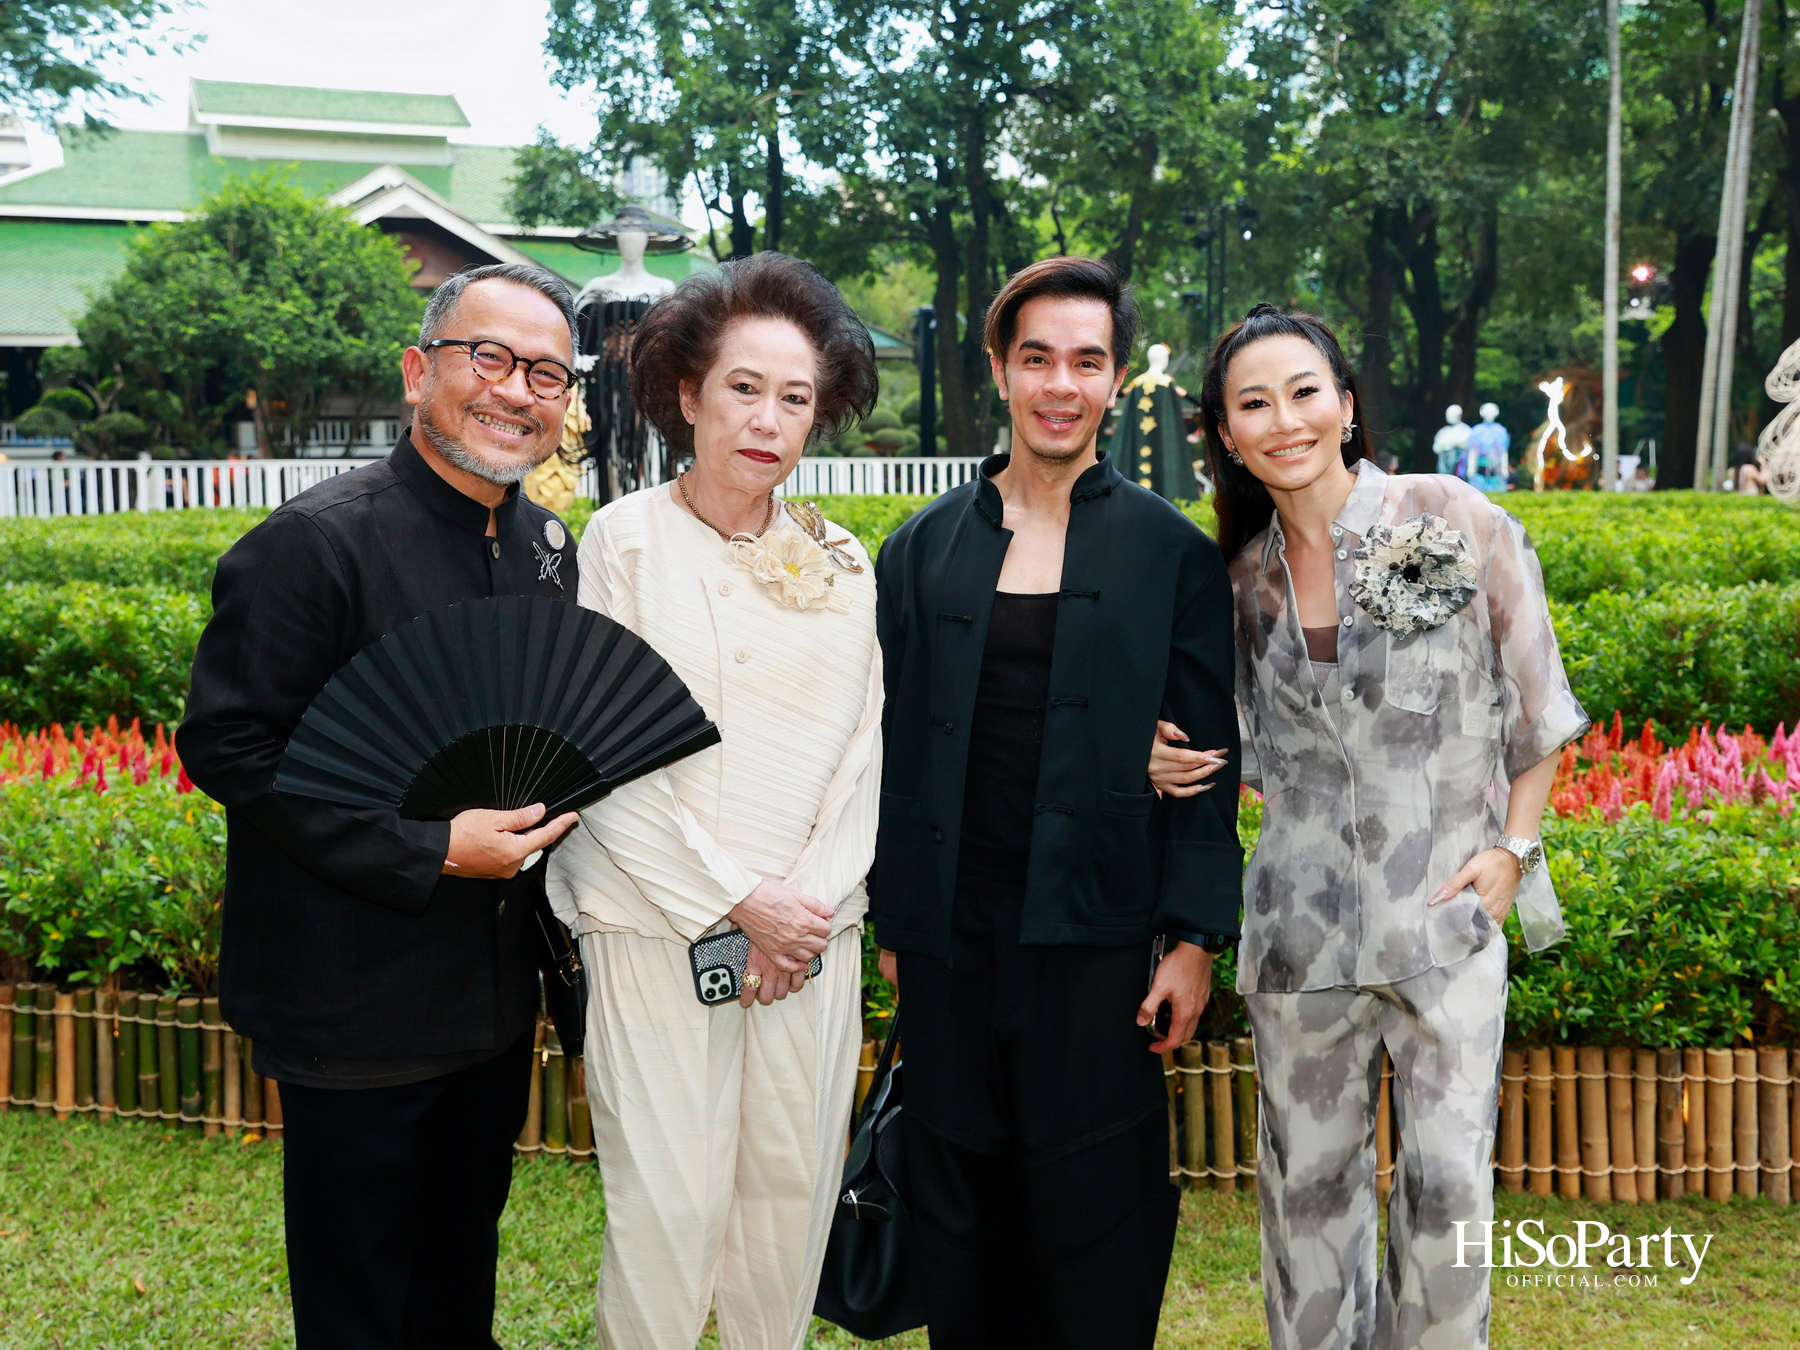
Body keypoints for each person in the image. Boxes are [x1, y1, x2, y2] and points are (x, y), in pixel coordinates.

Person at [1152, 303, 1590, 1350]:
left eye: (1304, 392)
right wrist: (1154, 757)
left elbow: (1537, 705)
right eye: (1254, 404)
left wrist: (1513, 851)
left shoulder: (1447, 518)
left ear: (1345, 405)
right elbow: (1226, 748)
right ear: (1226, 433)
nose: (1285, 420)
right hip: (1297, 938)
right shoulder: (1235, 584)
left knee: (1450, 1193)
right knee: (1304, 1198)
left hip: (1445, 920)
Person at [177, 262, 586, 1348]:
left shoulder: (546, 550)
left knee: (458, 1284)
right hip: (352, 1004)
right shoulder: (316, 543)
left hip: (489, 1002)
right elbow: (229, 744)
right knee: (360, 1304)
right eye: (488, 357)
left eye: (546, 372)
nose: (516, 390)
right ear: (418, 372)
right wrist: (428, 848)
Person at [872, 255, 1243, 1347]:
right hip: (950, 935)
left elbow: (1204, 762)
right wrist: (897, 919)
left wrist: (1193, 940)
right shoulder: (921, 549)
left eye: (1087, 361)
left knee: (1096, 1210)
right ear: (1000, 369)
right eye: (1037, 359)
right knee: (955, 1203)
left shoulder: (1172, 553)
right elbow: (886, 746)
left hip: (1100, 934)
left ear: (1117, 380)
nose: (1060, 385)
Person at [544, 252, 881, 1350]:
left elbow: (866, 752)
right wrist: (738, 901)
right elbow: (600, 751)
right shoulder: (624, 541)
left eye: (795, 398)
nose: (767, 420)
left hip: (810, 942)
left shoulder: (842, 560)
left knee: (789, 1209)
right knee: (667, 1215)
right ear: (688, 394)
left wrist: (800, 911)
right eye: (744, 388)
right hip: (654, 922)